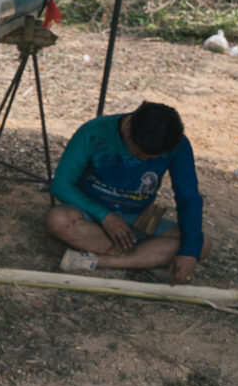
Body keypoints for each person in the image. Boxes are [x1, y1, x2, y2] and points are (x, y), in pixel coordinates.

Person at [46, 101, 210, 283]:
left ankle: (101, 261)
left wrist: (188, 253)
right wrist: (105, 217)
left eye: (153, 158)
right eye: (139, 155)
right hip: (92, 215)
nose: (145, 161)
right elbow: (60, 185)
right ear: (127, 131)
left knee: (200, 245)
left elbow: (188, 198)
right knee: (58, 220)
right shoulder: (94, 132)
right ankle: (147, 258)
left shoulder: (177, 144)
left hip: (138, 219)